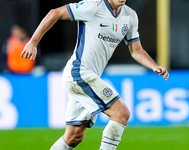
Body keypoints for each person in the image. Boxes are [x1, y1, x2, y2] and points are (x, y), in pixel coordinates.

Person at [21, 0, 169, 149]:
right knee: (121, 113)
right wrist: (33, 42)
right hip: (79, 73)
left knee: (74, 137)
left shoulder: (130, 16)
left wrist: (154, 66)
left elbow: (136, 50)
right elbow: (55, 12)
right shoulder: (93, 5)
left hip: (88, 77)